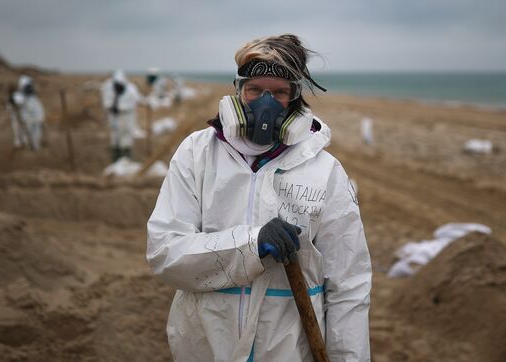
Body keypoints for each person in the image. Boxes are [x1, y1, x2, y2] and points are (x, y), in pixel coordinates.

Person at [147, 34, 372, 362]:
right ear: (238, 91)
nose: (265, 103)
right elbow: (165, 252)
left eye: (280, 92)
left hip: (287, 350)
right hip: (205, 346)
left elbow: (348, 285)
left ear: (295, 99)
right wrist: (251, 245)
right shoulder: (197, 154)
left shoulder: (325, 172)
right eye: (254, 90)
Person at [100, 69, 142, 161]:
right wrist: (112, 107)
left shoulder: (131, 90)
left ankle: (126, 156)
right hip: (114, 116)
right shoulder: (108, 88)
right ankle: (116, 156)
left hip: (127, 116)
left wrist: (121, 107)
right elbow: (106, 102)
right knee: (115, 135)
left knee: (126, 135)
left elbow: (136, 101)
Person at [8, 75, 45, 150]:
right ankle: (22, 142)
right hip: (26, 119)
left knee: (35, 133)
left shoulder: (33, 97)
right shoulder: (19, 95)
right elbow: (13, 103)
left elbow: (39, 109)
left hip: (33, 119)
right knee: (25, 130)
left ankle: (34, 146)